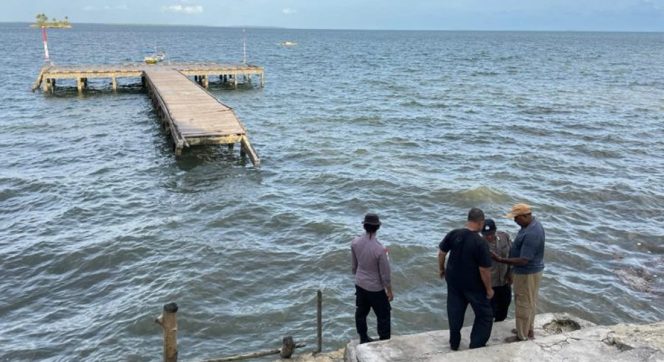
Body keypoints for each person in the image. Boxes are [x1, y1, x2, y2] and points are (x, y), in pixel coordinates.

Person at [438, 208, 494, 350]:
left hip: (454, 281)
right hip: (473, 285)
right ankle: (476, 345)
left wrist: (441, 269)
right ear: (481, 223)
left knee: (455, 312)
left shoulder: (453, 234)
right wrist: (489, 289)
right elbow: (484, 270)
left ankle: (454, 344)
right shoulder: (480, 243)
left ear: (468, 220)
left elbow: (441, 253)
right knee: (485, 315)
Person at [491, 203, 545, 341]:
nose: (514, 220)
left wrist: (501, 260)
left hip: (526, 273)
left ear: (526, 216)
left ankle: (522, 336)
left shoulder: (532, 233)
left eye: (516, 218)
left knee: (523, 303)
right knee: (530, 301)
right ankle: (528, 329)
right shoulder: (530, 226)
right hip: (532, 271)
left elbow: (523, 260)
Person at [351, 213, 393, 344]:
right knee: (384, 315)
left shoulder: (355, 242)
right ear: (378, 228)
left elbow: (354, 266)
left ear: (364, 226)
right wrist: (389, 291)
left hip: (360, 283)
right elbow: (385, 275)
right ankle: (384, 341)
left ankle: (363, 338)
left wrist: (360, 277)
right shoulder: (380, 249)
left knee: (361, 312)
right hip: (375, 288)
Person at [482, 219, 512, 322]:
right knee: (489, 313)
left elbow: (512, 254)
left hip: (504, 281)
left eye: (491, 233)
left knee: (504, 309)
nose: (489, 237)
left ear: (495, 231)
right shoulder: (479, 245)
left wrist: (510, 273)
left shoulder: (505, 237)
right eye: (486, 235)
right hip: (490, 284)